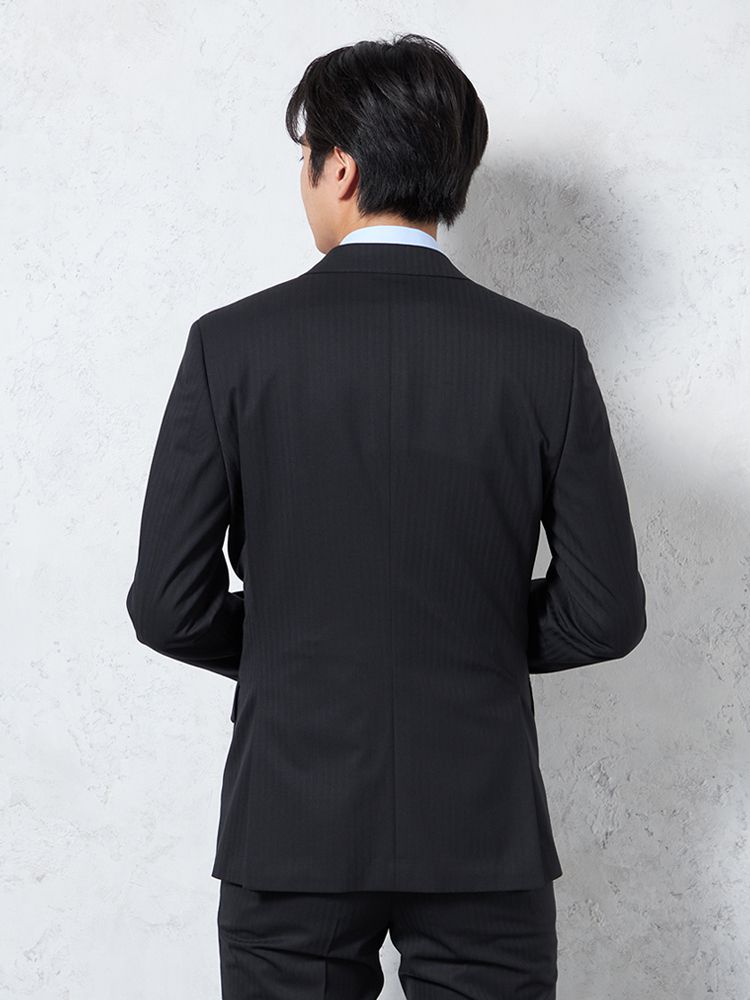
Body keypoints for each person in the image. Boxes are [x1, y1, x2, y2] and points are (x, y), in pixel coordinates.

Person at [126, 31, 647, 1000]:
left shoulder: (230, 348)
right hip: (483, 825)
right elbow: (606, 614)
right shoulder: (545, 356)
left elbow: (166, 605)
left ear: (342, 168)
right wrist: (465, 634)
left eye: (305, 156)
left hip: (291, 821)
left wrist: (297, 642)